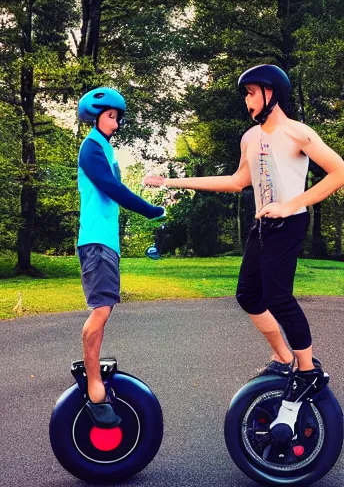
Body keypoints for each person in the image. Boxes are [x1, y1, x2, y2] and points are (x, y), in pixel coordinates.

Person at [144, 65, 344, 429]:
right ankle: (283, 358)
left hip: (289, 222)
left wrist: (289, 204)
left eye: (252, 92)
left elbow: (339, 171)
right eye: (246, 93)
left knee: (279, 297)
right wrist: (173, 182)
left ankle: (308, 369)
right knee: (249, 296)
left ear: (272, 93)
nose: (248, 100)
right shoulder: (250, 138)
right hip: (262, 225)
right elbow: (238, 181)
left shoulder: (298, 133)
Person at [77, 87, 165, 428]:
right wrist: (149, 209)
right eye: (111, 116)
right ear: (96, 116)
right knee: (100, 308)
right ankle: (93, 383)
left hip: (106, 242)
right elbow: (113, 189)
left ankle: (93, 371)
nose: (116, 123)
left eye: (117, 117)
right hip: (96, 242)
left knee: (105, 307)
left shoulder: (104, 147)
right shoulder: (91, 148)